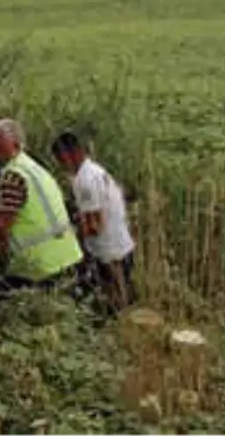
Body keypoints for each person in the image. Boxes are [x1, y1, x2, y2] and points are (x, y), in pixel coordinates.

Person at [0, 118, 84, 297]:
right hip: (68, 256)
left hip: (39, 266)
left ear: (16, 145)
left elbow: (1, 227)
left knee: (0, 303)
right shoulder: (35, 168)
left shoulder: (12, 176)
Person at [51, 131, 137, 315]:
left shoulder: (85, 180)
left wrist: (69, 239)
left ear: (68, 155)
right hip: (121, 246)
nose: (61, 166)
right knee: (122, 301)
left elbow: (93, 225)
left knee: (114, 305)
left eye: (60, 160)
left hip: (109, 253)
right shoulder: (94, 171)